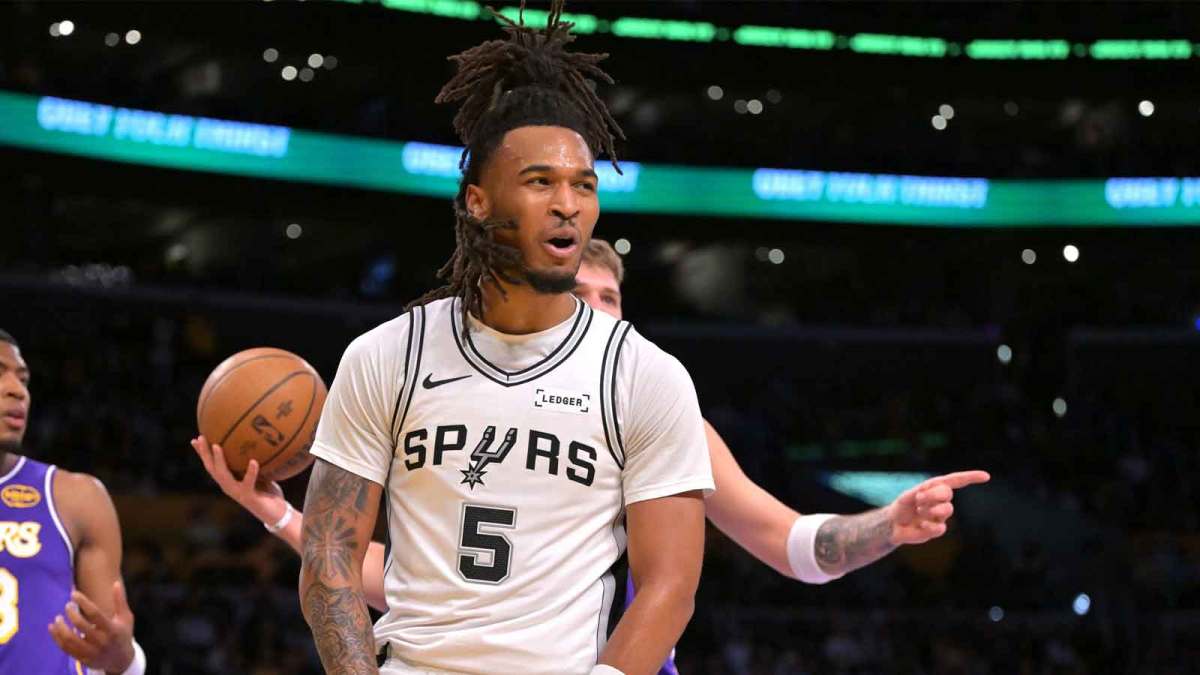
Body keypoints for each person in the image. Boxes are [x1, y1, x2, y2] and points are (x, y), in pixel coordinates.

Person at [194, 241, 989, 672]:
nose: (597, 312)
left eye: (610, 299)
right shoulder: (457, 405)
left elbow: (790, 544)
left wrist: (886, 524)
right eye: (579, 296)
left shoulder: (656, 410)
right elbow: (401, 583)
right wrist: (282, 515)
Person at [297, 3, 712, 674]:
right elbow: (329, 559)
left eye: (583, 185)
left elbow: (670, 586)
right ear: (478, 201)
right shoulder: (387, 355)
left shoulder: (643, 374)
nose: (567, 204)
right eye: (540, 181)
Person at [0, 329, 146, 675]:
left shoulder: (74, 497)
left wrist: (126, 662)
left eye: (23, 379)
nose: (17, 390)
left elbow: (111, 647)